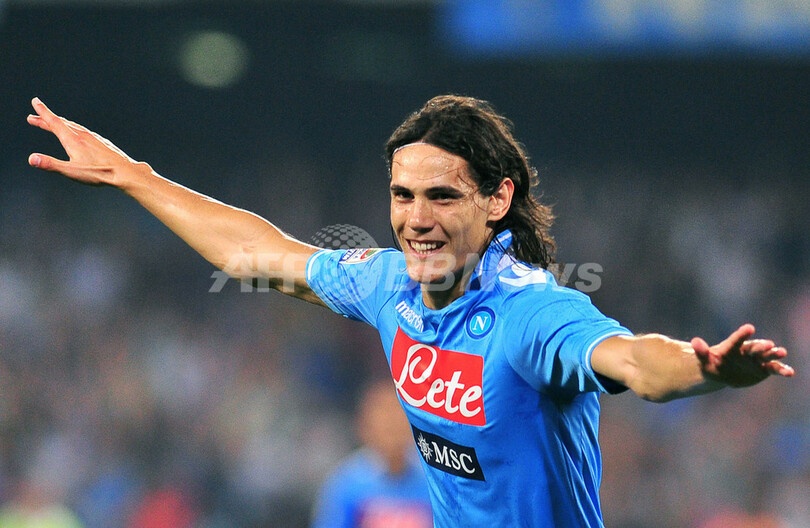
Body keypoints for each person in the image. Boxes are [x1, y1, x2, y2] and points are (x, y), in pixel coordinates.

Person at [27, 95, 794, 527]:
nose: (416, 218)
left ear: (497, 199)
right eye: (403, 195)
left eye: (442, 196)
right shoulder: (387, 285)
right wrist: (135, 177)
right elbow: (258, 253)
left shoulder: (532, 314)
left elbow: (632, 361)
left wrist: (704, 370)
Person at [311, 379, 432, 528]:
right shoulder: (346, 484)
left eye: (398, 415)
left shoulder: (431, 480)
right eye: (384, 419)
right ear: (365, 426)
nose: (392, 423)